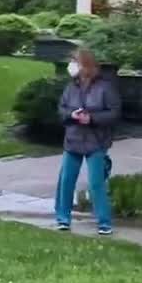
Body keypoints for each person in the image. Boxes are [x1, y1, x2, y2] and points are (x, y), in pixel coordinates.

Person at [55, 49, 122, 236]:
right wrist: (71, 115)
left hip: (96, 142)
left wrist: (91, 118)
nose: (71, 65)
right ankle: (63, 219)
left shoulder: (105, 87)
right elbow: (61, 109)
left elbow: (114, 113)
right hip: (73, 140)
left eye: (74, 61)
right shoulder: (71, 87)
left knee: (96, 183)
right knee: (66, 180)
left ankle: (104, 222)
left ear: (85, 64)